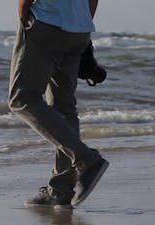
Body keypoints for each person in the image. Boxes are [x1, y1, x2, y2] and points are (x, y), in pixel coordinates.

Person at [8, 0, 109, 208]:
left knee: (22, 98)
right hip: (79, 27)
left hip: (47, 19)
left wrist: (23, 11)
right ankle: (61, 190)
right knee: (64, 107)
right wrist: (83, 20)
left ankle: (86, 160)